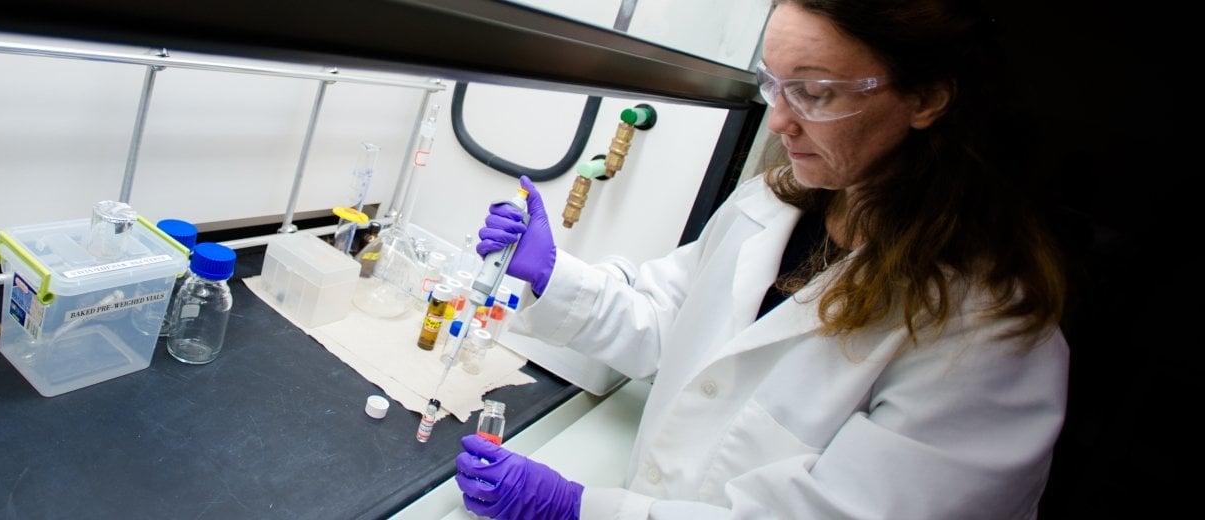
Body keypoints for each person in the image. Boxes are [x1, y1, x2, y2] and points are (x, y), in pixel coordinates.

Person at [455, 0, 1070, 518]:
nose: (778, 120)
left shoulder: (985, 335)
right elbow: (676, 328)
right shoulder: (769, 206)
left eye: (815, 93)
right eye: (772, 82)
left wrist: (581, 509)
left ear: (928, 98)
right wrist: (552, 274)